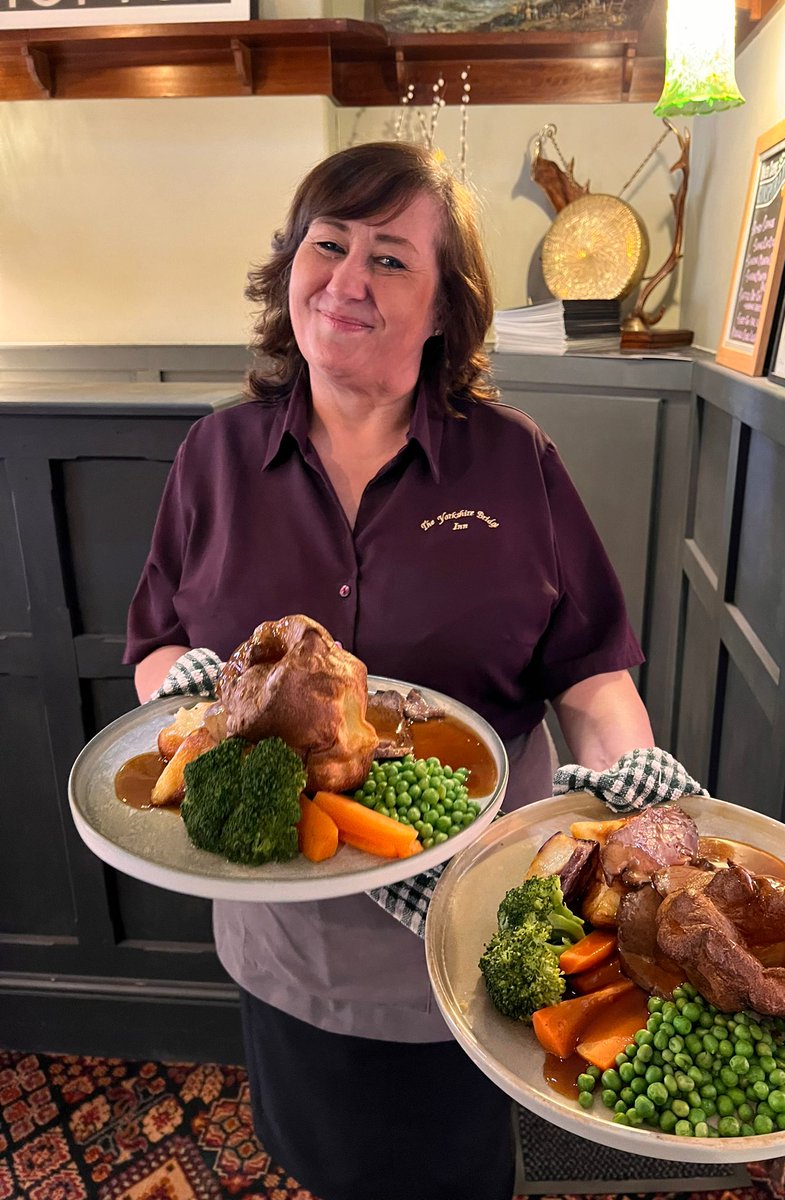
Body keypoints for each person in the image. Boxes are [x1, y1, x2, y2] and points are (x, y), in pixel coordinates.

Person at [125, 141, 654, 1200]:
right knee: (319, 1158)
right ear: (291, 268)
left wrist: (634, 809)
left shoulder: (516, 461)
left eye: (392, 259)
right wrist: (187, 701)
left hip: (468, 927)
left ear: (446, 309)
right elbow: (153, 647)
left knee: (454, 1172)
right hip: (287, 933)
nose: (347, 279)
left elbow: (594, 678)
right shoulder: (214, 458)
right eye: (329, 244)